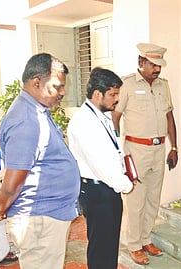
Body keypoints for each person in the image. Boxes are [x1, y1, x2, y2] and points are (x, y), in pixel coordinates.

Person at [0, 53, 81, 268]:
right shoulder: (26, 120)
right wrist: (1, 206)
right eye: (57, 86)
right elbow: (16, 177)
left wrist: (2, 203)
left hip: (44, 216)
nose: (63, 92)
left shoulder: (35, 110)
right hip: (39, 219)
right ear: (37, 82)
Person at [113, 43, 178, 265]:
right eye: (153, 65)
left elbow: (169, 117)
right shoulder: (127, 85)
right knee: (135, 201)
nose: (157, 69)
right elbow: (115, 118)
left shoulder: (163, 86)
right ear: (141, 63)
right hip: (136, 150)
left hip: (159, 150)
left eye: (159, 65)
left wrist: (174, 147)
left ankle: (146, 239)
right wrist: (119, 152)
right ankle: (133, 245)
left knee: (152, 199)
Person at [67, 67, 134, 269]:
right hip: (98, 191)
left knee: (109, 246)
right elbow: (101, 164)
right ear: (98, 94)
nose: (116, 99)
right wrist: (125, 184)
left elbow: (113, 152)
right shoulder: (84, 121)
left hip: (106, 190)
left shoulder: (100, 116)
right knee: (100, 248)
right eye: (113, 94)